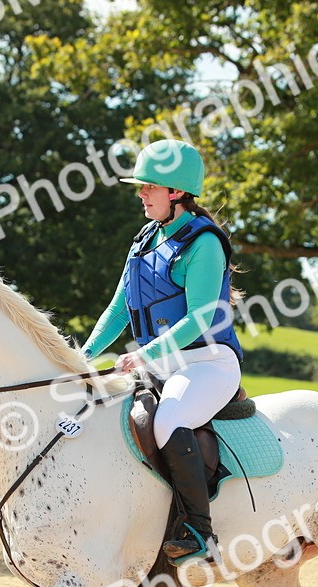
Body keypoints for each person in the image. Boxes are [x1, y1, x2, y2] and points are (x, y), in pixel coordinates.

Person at [80, 139, 244, 562]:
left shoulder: (204, 244)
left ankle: (197, 530)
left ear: (175, 192)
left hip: (208, 363)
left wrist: (146, 353)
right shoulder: (144, 241)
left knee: (169, 418)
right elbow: (118, 310)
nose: (140, 194)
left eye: (148, 187)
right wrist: (82, 356)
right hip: (162, 363)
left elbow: (201, 319)